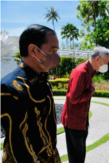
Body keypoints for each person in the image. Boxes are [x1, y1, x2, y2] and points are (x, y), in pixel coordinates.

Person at [0, 24, 61, 162]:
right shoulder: (10, 88)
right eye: (52, 50)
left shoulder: (43, 80)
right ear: (33, 50)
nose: (56, 56)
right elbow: (19, 145)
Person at [61, 46, 109, 163]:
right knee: (76, 157)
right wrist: (91, 91)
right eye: (105, 63)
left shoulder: (90, 72)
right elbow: (73, 98)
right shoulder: (81, 72)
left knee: (80, 154)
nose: (105, 66)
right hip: (74, 122)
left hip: (81, 120)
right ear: (98, 59)